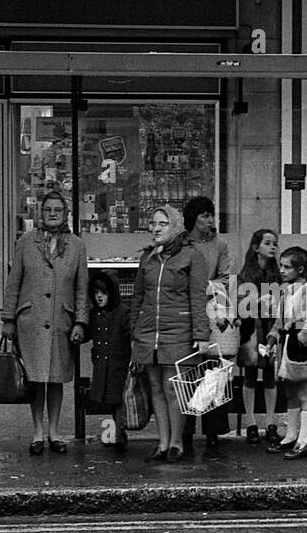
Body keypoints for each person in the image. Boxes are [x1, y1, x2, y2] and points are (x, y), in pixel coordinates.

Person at [0, 190, 90, 455]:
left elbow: (82, 288)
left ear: (65, 214)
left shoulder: (76, 245)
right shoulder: (27, 242)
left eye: (58, 210)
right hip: (31, 320)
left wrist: (80, 322)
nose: (53, 214)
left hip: (61, 319)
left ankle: (55, 432)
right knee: (36, 378)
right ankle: (37, 431)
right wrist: (8, 318)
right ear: (41, 213)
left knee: (56, 378)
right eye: (48, 209)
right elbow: (14, 282)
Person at [128, 205, 210, 464]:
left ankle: (176, 442)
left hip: (178, 331)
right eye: (153, 224)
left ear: (174, 226)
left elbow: (198, 297)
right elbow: (138, 296)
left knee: (174, 388)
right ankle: (162, 442)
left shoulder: (191, 256)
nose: (155, 228)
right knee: (155, 387)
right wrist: (134, 328)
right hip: (149, 331)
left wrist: (201, 333)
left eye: (162, 224)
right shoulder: (148, 257)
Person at [181, 196, 232, 450]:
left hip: (211, 311)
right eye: (204, 215)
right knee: (188, 371)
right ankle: (186, 430)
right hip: (185, 313)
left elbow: (224, 278)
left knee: (213, 372)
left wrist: (204, 288)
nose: (210, 220)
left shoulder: (219, 244)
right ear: (193, 218)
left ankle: (213, 430)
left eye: (211, 215)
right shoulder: (182, 243)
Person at [267, 246, 307, 460]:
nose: (282, 270)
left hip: (300, 348)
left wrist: (299, 335)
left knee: (303, 393)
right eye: (281, 266)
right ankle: (290, 435)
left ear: (300, 269)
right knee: (290, 393)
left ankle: (303, 439)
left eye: (287, 267)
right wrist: (273, 337)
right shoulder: (285, 291)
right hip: (286, 348)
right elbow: (279, 321)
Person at [237, 228, 281, 445]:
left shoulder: (278, 275)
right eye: (267, 243)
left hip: (271, 327)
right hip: (251, 328)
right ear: (256, 248)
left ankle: (271, 422)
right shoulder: (245, 275)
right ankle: (251, 423)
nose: (273, 246)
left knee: (271, 374)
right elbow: (241, 306)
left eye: (275, 243)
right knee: (251, 374)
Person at [84, 271, 132, 451]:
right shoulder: (94, 313)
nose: (99, 296)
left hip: (118, 365)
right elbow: (87, 333)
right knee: (108, 400)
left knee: (117, 399)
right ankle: (115, 433)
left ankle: (117, 433)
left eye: (103, 292)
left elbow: (130, 334)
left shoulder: (123, 313)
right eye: (96, 293)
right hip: (103, 364)